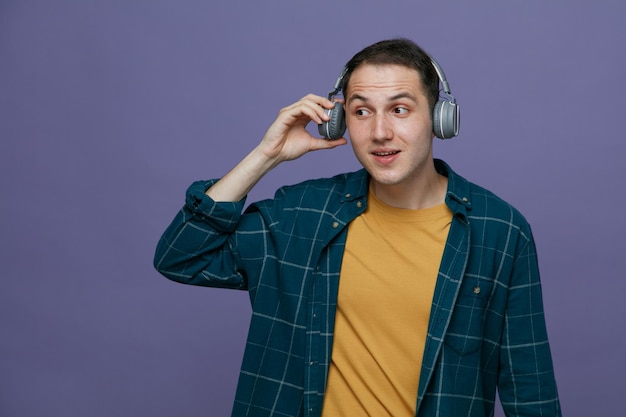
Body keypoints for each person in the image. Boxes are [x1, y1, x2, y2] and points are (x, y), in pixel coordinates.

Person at [154, 38, 561, 417]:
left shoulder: (500, 231)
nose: (380, 132)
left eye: (400, 109)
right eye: (361, 111)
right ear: (339, 120)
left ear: (440, 118)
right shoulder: (301, 213)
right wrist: (266, 155)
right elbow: (182, 257)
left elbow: (531, 389)